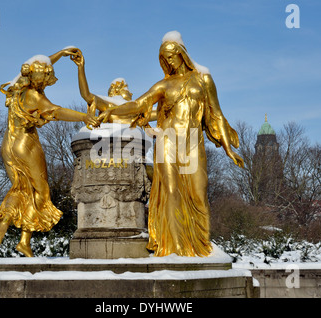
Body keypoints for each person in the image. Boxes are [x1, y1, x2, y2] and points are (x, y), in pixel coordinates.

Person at [98, 31, 243, 257]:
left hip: (193, 142)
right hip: (168, 141)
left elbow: (216, 115)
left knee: (199, 194)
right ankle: (175, 248)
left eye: (172, 56)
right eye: (164, 58)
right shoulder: (163, 85)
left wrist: (228, 148)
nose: (168, 62)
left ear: (182, 54)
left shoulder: (203, 78)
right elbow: (138, 104)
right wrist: (110, 112)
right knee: (171, 191)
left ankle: (202, 247)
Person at [0, 48, 98, 257]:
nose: (47, 82)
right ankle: (19, 235)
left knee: (21, 188)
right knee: (41, 192)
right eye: (46, 79)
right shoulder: (33, 96)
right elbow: (56, 111)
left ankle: (13, 229)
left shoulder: (18, 85)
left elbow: (39, 62)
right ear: (40, 79)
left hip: (8, 144)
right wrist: (84, 117)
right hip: (26, 144)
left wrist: (61, 53)